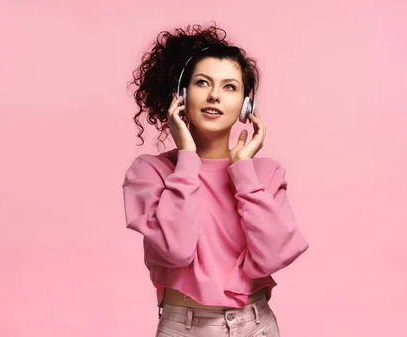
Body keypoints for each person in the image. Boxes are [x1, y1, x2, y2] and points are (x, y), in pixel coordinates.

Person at [122, 23, 309, 337]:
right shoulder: (150, 172)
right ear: (181, 95)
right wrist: (186, 157)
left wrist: (244, 173)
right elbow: (176, 249)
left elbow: (275, 256)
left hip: (257, 325)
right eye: (202, 83)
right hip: (184, 327)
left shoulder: (265, 173)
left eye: (229, 87)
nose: (213, 96)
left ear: (246, 106)